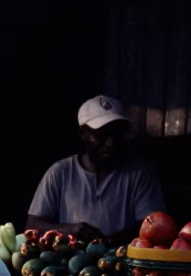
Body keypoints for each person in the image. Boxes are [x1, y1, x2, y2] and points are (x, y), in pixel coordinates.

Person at [27, 95, 165, 244]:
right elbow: (32, 227)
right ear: (82, 134)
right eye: (102, 136)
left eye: (117, 135)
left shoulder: (140, 173)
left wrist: (108, 241)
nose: (111, 143)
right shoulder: (60, 173)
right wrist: (70, 231)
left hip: (120, 262)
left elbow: (154, 228)